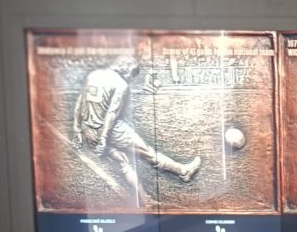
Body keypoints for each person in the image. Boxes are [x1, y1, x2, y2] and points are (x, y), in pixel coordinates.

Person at [72, 56, 201, 202]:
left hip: (89, 131)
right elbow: (112, 114)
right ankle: (183, 171)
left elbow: (79, 102)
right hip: (110, 131)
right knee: (147, 152)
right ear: (126, 70)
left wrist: (77, 129)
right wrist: (103, 137)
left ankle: (145, 200)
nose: (131, 78)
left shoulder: (93, 75)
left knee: (123, 162)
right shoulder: (120, 84)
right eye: (132, 74)